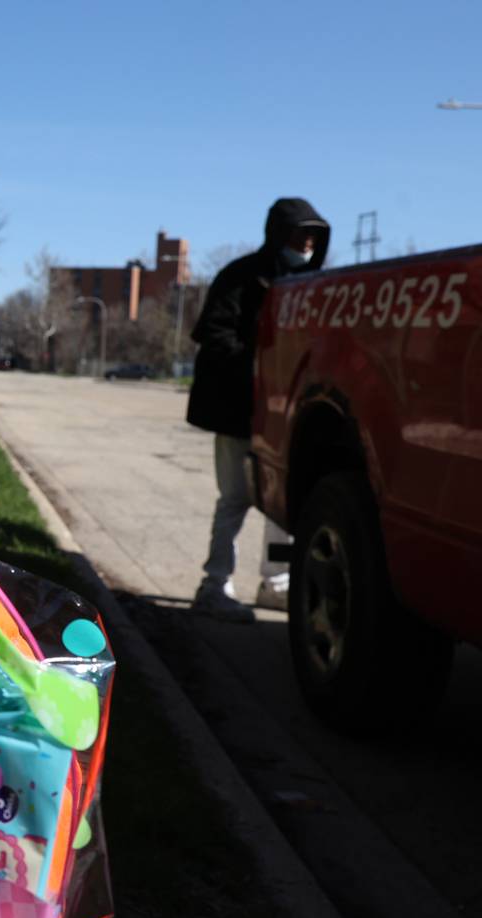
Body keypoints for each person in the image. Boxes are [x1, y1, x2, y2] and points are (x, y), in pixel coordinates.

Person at [187, 198, 330, 623]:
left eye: (314, 235)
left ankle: (277, 584)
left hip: (286, 417)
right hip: (236, 411)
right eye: (300, 232)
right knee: (234, 499)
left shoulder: (312, 283)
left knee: (286, 501)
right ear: (277, 232)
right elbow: (214, 334)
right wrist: (260, 365)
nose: (307, 242)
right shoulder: (241, 277)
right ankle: (214, 586)